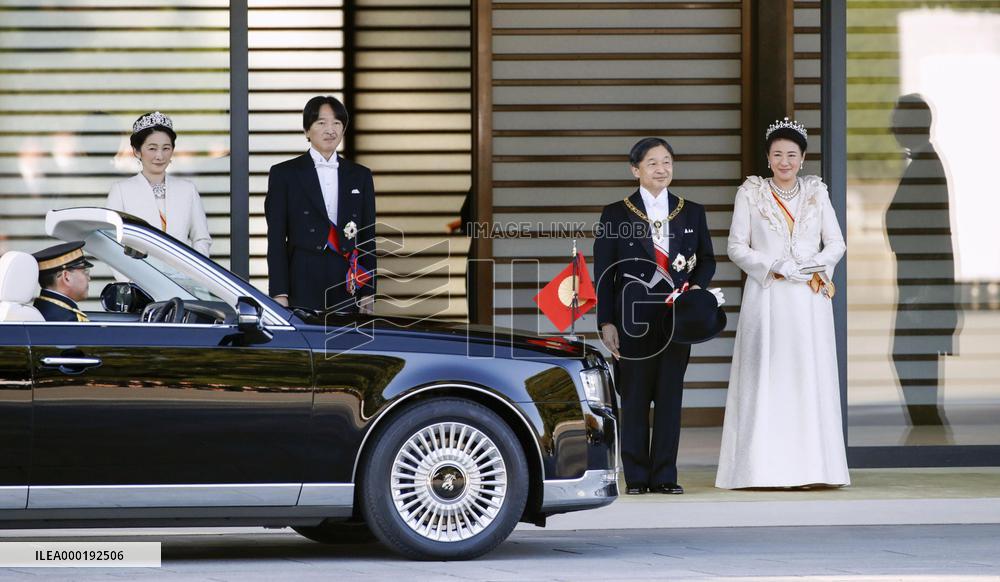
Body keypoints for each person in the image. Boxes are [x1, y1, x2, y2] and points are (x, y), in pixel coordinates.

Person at [716, 117, 850, 489]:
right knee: (769, 376)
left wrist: (814, 265)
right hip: (769, 294)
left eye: (792, 154)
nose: (785, 161)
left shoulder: (816, 192)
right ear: (768, 158)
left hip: (809, 297)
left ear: (803, 158)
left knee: (807, 376)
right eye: (778, 154)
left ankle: (815, 471)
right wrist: (774, 265)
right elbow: (735, 246)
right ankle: (761, 470)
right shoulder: (751, 192)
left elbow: (836, 242)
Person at [594, 137, 719, 495]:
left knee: (669, 397)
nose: (661, 169)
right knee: (633, 399)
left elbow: (707, 259)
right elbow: (603, 271)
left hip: (676, 321)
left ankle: (665, 475)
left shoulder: (691, 210)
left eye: (667, 162)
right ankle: (635, 477)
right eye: (652, 163)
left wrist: (696, 288)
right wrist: (606, 321)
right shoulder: (615, 213)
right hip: (632, 320)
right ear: (635, 170)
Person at [265, 95, 376, 313]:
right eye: (321, 123)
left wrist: (368, 291)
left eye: (337, 123)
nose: (330, 130)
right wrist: (279, 293)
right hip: (302, 274)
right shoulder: (285, 174)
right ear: (307, 130)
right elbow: (276, 238)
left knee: (345, 343)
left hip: (347, 278)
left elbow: (367, 237)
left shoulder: (360, 175)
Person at [886, 94, 958, 428]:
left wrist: (925, 290)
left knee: (912, 357)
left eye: (897, 119)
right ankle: (928, 427)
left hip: (922, 286)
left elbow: (928, 234)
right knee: (914, 358)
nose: (892, 125)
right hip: (921, 283)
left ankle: (929, 428)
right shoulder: (925, 163)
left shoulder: (926, 165)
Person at [105, 111, 212, 256]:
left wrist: (191, 274)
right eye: (152, 148)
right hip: (137, 276)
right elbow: (112, 243)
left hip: (181, 275)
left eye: (166, 148)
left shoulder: (187, 190)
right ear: (137, 151)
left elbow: (201, 238)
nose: (159, 156)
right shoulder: (121, 191)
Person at [32, 241, 93, 322]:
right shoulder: (67, 320)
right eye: (85, 272)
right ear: (66, 277)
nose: (89, 278)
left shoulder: (44, 307)